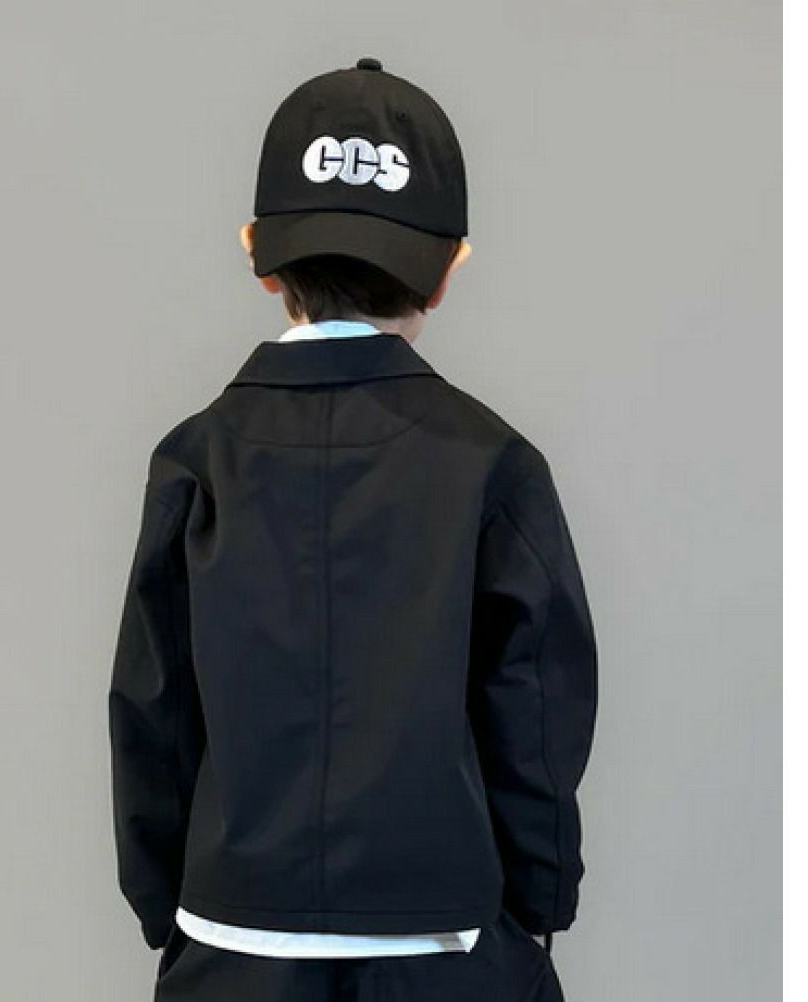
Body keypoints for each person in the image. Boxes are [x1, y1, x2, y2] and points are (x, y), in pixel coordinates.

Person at [108, 57, 598, 1002]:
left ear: (258, 254)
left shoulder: (196, 460)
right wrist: (539, 899)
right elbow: (535, 710)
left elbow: (152, 707)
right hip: (446, 941)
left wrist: (172, 907)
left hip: (233, 942)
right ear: (449, 269)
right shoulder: (493, 464)